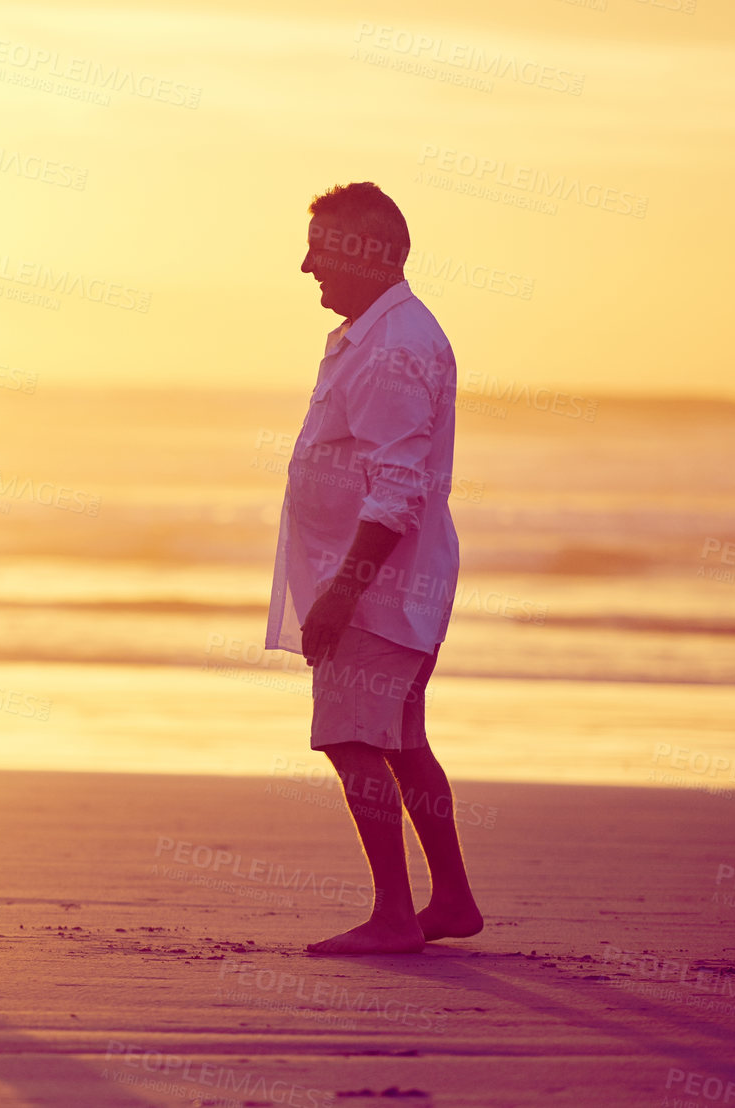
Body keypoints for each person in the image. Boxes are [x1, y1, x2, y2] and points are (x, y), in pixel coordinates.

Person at [268, 183, 484, 955]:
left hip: (378, 588)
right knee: (394, 738)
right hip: (384, 583)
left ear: (372, 251)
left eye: (321, 249)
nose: (306, 266)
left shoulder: (395, 346)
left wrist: (338, 596)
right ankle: (450, 899)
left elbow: (398, 488)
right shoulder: (377, 335)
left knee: (355, 738)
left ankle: (395, 914)